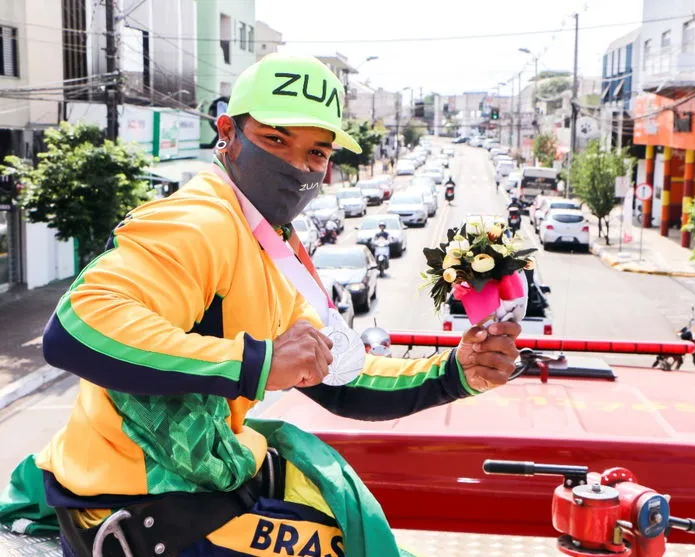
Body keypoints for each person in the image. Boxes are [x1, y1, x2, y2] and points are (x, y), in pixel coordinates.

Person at [28, 54, 521, 556]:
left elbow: (337, 378)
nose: (295, 165)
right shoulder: (199, 220)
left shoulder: (267, 243)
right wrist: (256, 362)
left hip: (197, 495)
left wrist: (456, 372)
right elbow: (77, 327)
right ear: (228, 133)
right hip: (147, 512)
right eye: (275, 140)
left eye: (316, 153)